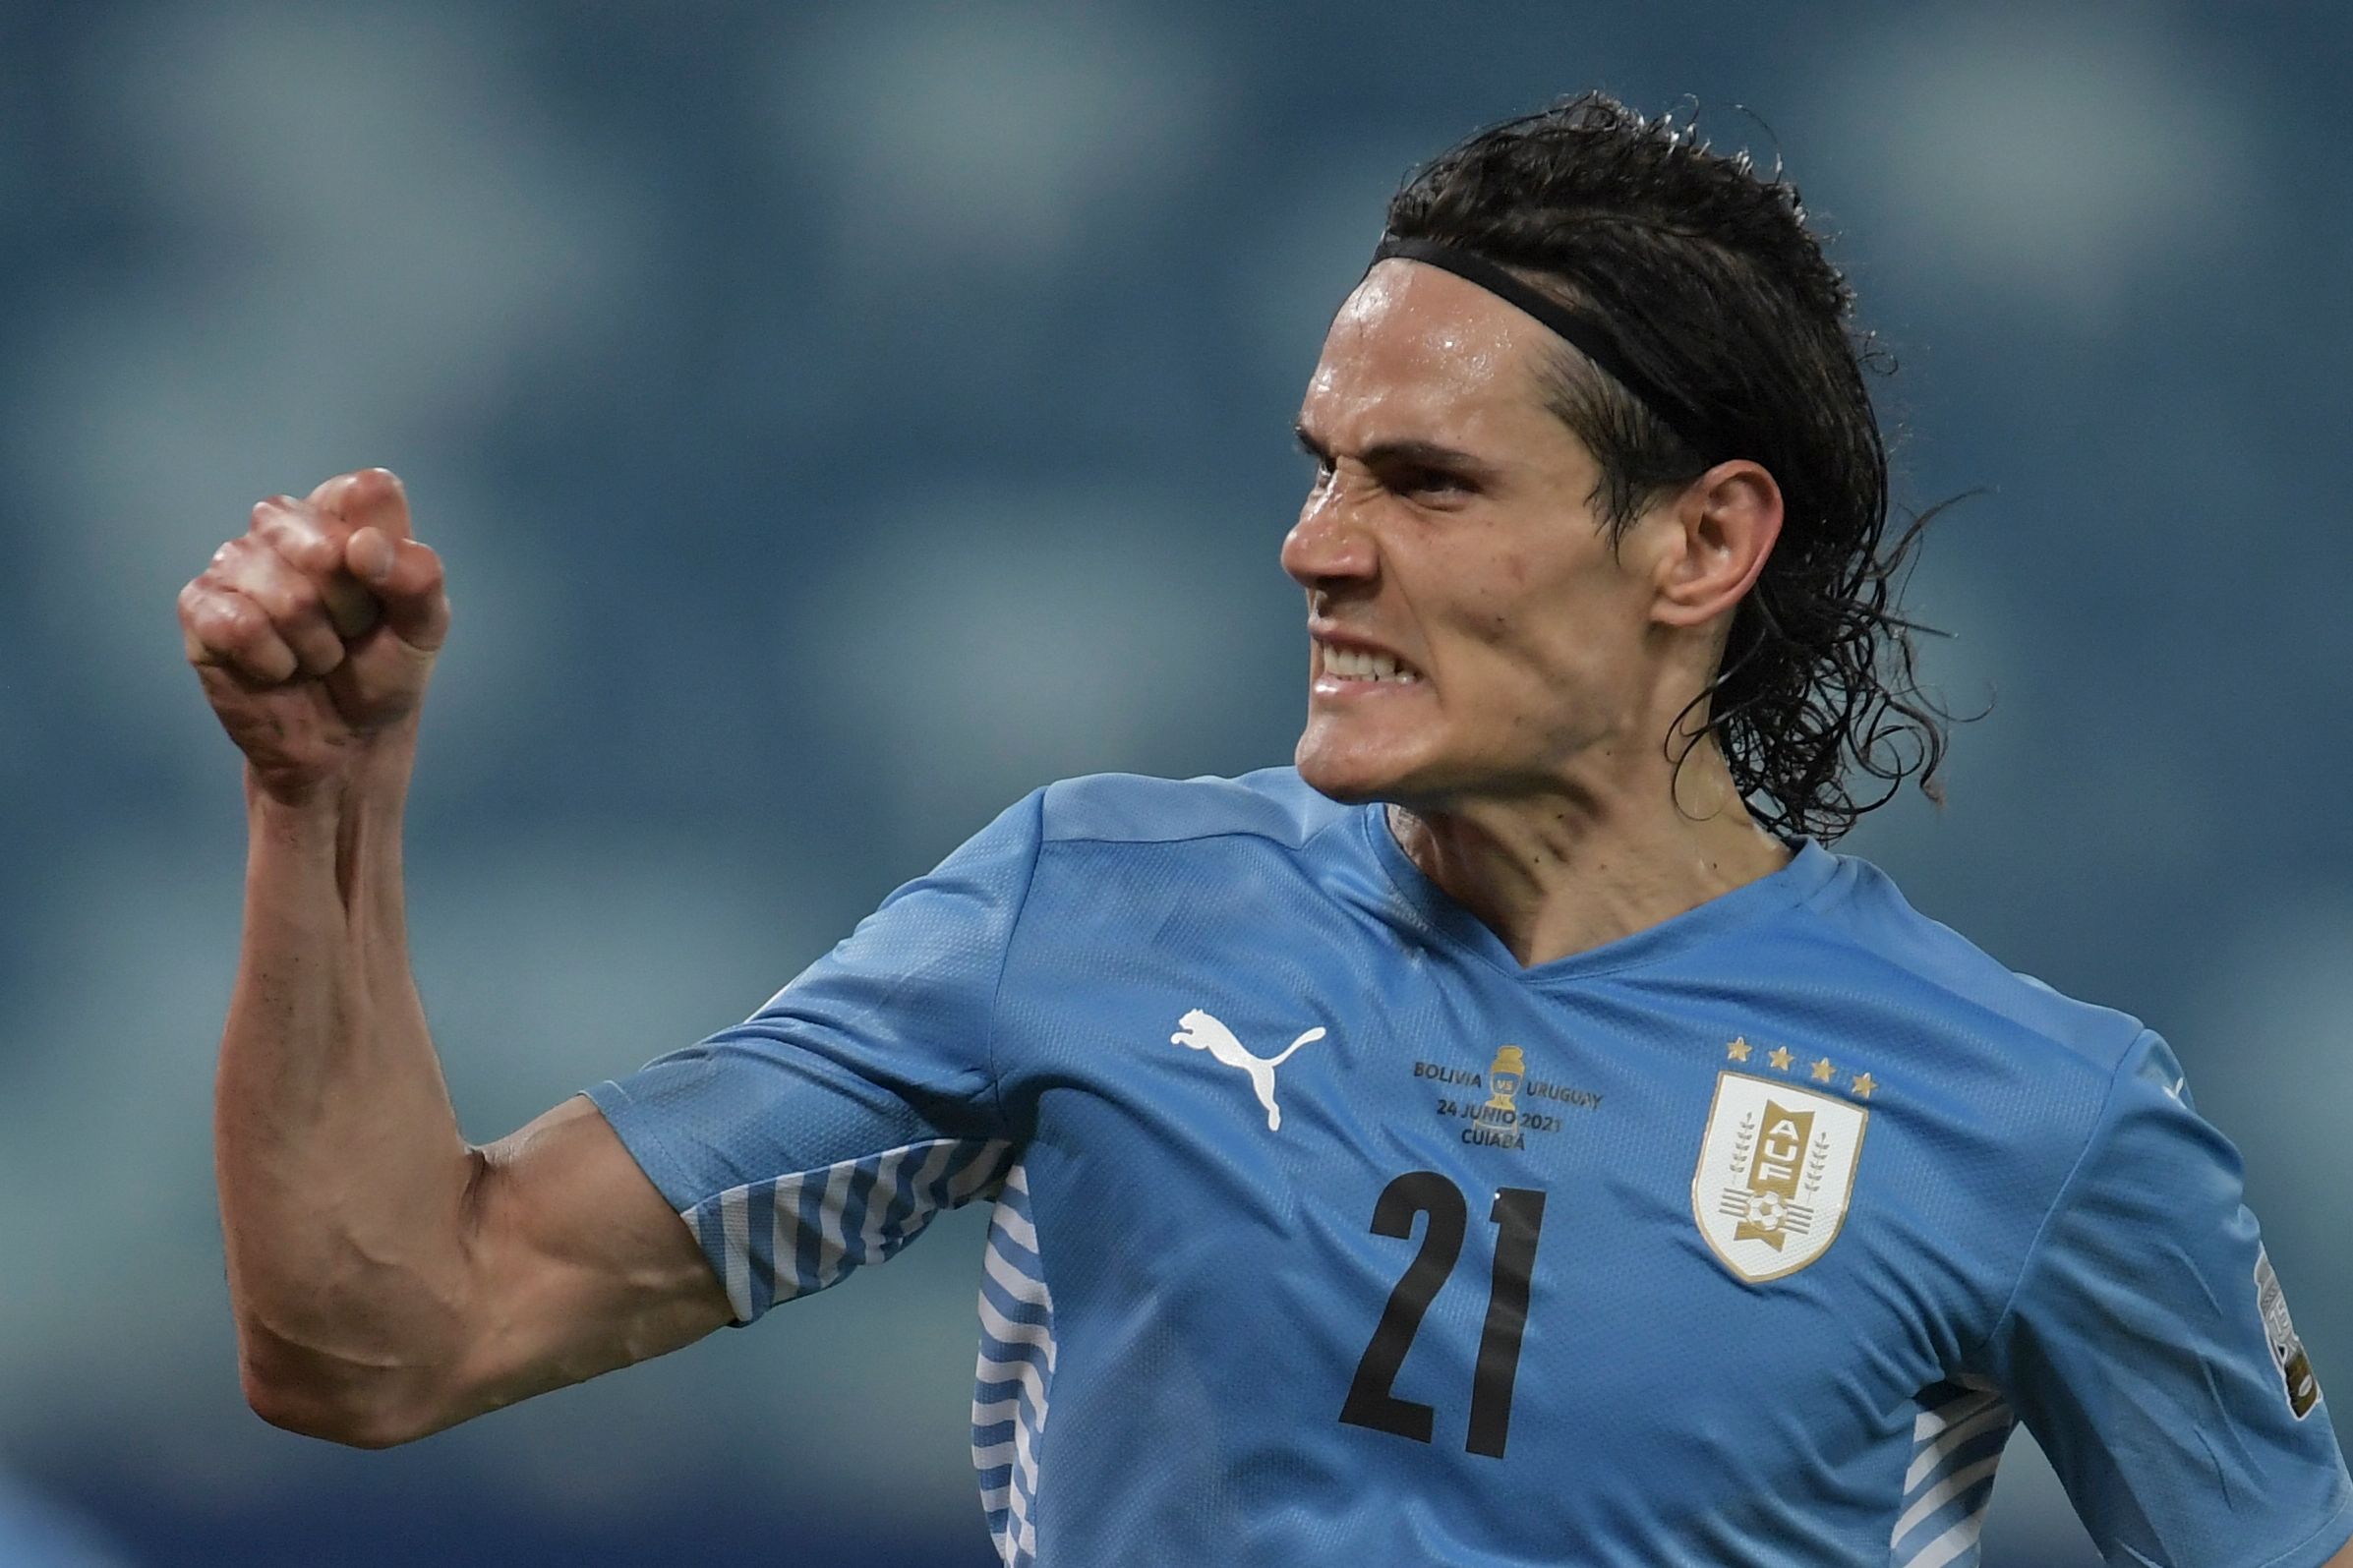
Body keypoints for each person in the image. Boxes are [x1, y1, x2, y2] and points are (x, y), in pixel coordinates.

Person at [180, 93, 2351, 1567]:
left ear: (1701, 542)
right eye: (1320, 466)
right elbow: (383, 1337)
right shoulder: (1083, 909)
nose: (1313, 547)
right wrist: (326, 798)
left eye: (1424, 485)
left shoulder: (2035, 1122)